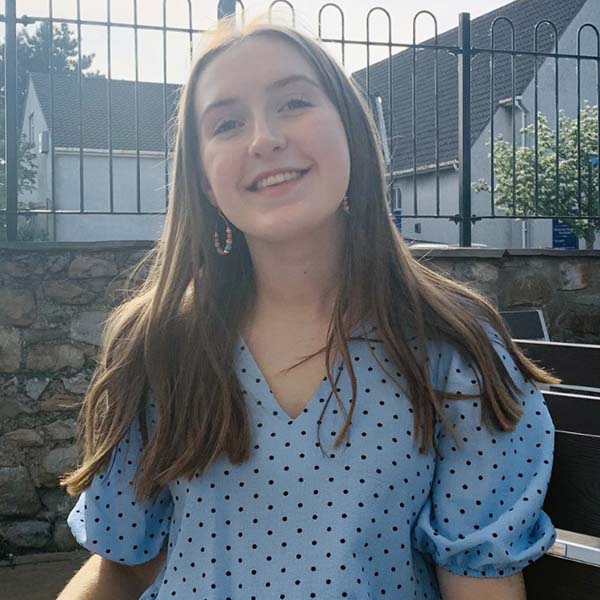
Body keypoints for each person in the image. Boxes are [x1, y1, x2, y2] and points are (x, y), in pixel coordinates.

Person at [58, 14, 559, 600]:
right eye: (226, 123)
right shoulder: (158, 345)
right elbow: (123, 564)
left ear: (352, 132)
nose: (263, 139)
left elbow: (480, 585)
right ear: (204, 180)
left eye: (293, 102)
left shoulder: (453, 353)